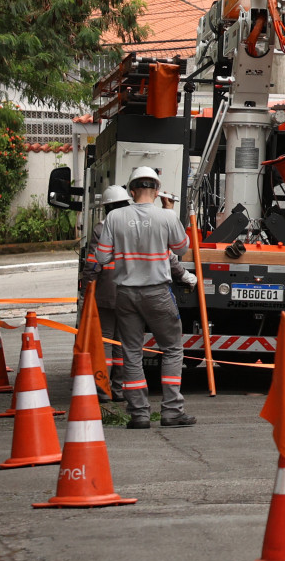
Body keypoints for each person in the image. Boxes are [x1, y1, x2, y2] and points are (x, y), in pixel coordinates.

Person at [88, 166, 199, 428]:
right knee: (172, 349)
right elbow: (182, 248)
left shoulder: (115, 218)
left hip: (125, 294)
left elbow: (102, 257)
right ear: (157, 191)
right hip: (157, 293)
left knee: (131, 352)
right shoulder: (166, 216)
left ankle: (138, 413)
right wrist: (170, 212)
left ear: (132, 191)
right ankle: (172, 410)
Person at [78, 184, 130, 401]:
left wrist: (86, 291)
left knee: (105, 341)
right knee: (123, 344)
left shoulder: (101, 229)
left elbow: (93, 265)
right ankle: (119, 390)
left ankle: (103, 389)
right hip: (131, 295)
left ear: (107, 207)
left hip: (106, 295)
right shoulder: (134, 227)